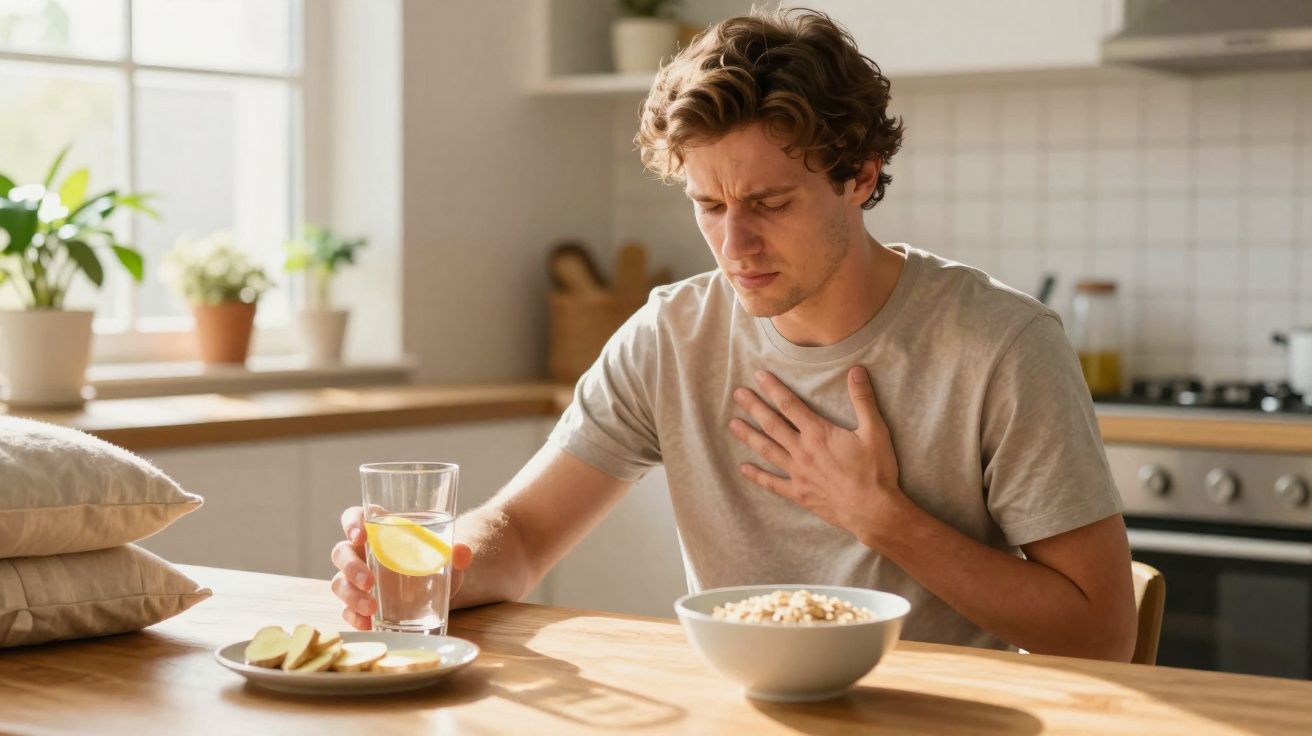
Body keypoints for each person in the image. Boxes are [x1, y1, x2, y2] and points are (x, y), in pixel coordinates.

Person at [331, 8, 1137, 660]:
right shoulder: (671, 336)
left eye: (771, 204)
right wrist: (440, 565)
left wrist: (882, 517)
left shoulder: (1001, 344)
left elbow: (1102, 631)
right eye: (709, 206)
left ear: (858, 177)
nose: (734, 246)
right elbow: (528, 532)